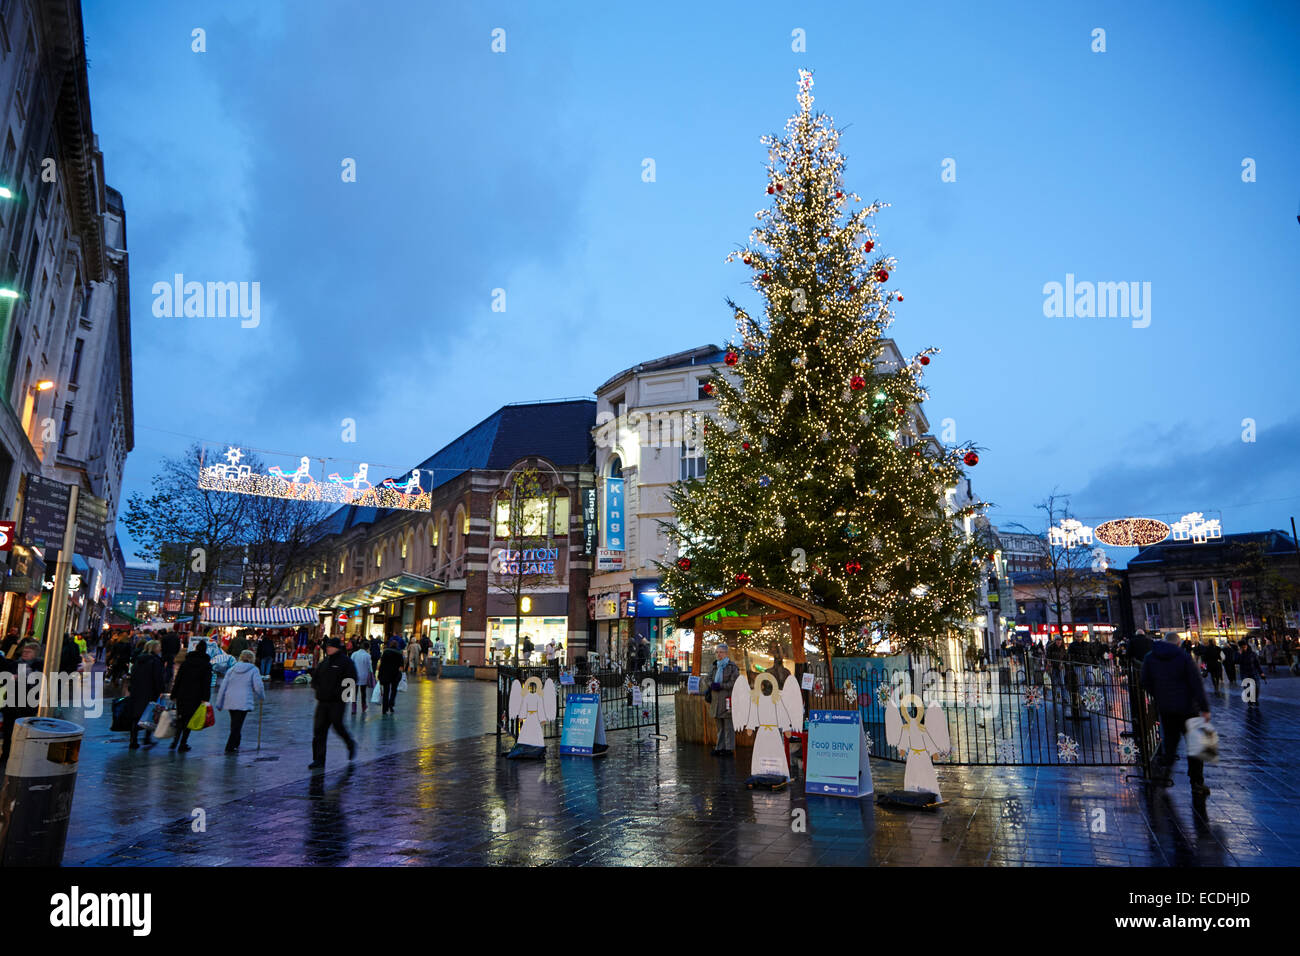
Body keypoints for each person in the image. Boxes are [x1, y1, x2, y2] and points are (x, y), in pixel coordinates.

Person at [1141, 632, 1212, 796]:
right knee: (1195, 747)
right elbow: (1196, 683)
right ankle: (1197, 783)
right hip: (1188, 708)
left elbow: (1144, 681)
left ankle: (1164, 776)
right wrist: (1205, 708)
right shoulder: (1184, 657)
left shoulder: (1150, 657)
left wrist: (1158, 695)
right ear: (1179, 643)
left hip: (1166, 708)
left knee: (1170, 745)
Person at [309, 637, 357, 769]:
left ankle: (350, 743)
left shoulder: (345, 662)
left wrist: (342, 698)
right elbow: (315, 679)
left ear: (337, 647)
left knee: (338, 726)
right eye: (327, 646)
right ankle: (318, 759)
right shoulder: (324, 662)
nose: (328, 648)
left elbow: (351, 681)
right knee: (319, 730)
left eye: (330, 646)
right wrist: (318, 690)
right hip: (322, 702)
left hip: (337, 703)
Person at [213, 649, 265, 753]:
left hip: (230, 699)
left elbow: (223, 687)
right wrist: (261, 696)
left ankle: (236, 743)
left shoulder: (231, 670)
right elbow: (258, 686)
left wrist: (219, 703)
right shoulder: (253, 670)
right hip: (244, 700)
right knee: (237, 724)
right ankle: (230, 746)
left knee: (235, 723)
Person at [0, 640, 42, 762]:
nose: (25, 653)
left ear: (35, 654)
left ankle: (19, 757)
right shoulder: (14, 664)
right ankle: (6, 755)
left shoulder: (38, 666)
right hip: (11, 704)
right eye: (24, 651)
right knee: (8, 732)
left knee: (23, 733)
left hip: (26, 706)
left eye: (28, 652)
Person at [170, 641, 213, 753]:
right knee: (189, 719)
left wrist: (174, 694)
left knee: (180, 718)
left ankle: (175, 741)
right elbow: (206, 683)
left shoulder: (186, 662)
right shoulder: (206, 665)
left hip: (182, 694)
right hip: (196, 696)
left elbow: (178, 679)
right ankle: (183, 743)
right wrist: (206, 698)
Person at [126, 640, 166, 750]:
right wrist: (161, 690)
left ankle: (133, 740)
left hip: (137, 690)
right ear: (154, 648)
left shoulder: (139, 659)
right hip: (150, 691)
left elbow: (132, 674)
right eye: (158, 647)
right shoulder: (156, 661)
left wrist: (132, 687)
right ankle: (147, 738)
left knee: (136, 716)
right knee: (149, 714)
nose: (160, 649)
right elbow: (157, 678)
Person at [702, 642, 740, 756]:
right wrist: (711, 684)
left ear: (726, 653)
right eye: (717, 652)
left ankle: (729, 749)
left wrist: (721, 686)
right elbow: (707, 678)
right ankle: (720, 748)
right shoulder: (714, 666)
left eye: (721, 652)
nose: (719, 654)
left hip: (727, 700)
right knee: (719, 727)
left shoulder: (732, 667)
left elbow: (734, 683)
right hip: (716, 701)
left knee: (728, 726)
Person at [378, 638, 404, 715]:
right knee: (394, 690)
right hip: (395, 674)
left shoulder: (385, 652)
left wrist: (379, 674)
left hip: (386, 674)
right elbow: (401, 665)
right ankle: (391, 704)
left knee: (386, 691)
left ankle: (384, 708)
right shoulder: (399, 653)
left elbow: (382, 663)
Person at [350, 639, 375, 714]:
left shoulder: (354, 654)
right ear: (367, 648)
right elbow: (369, 667)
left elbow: (351, 664)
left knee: (354, 692)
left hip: (354, 675)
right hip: (364, 676)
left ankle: (353, 708)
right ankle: (363, 706)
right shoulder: (367, 656)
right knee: (363, 692)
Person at [1238, 639, 1263, 705]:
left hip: (1253, 672)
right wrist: (1239, 654)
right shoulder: (1239, 654)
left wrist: (1261, 672)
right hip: (1244, 673)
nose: (1244, 648)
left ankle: (1255, 699)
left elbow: (1257, 664)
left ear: (1247, 646)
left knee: (1257, 687)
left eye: (1245, 647)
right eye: (1242, 647)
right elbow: (1235, 661)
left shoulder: (1252, 654)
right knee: (1247, 688)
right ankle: (1250, 700)